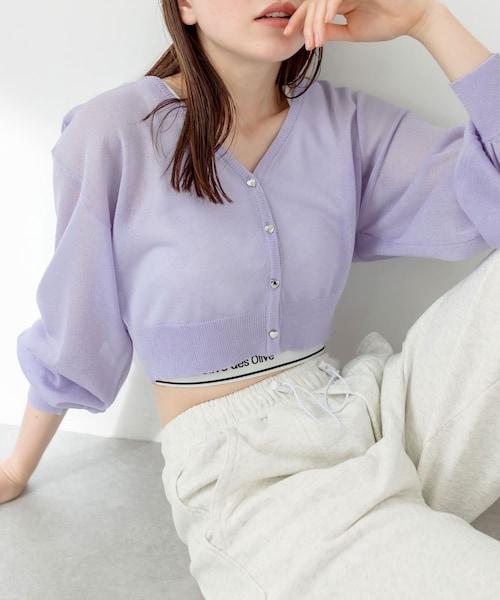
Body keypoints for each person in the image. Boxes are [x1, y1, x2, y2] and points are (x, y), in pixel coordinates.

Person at [2, 0, 500, 597]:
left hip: (368, 413)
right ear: (185, 5)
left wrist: (427, 21)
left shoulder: (344, 123)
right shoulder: (115, 131)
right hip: (248, 480)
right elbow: (74, 325)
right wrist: (15, 468)